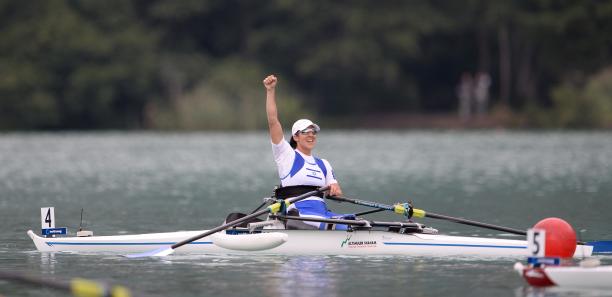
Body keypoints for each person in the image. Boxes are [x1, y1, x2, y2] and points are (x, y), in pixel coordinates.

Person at [263, 74, 353, 230]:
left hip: (322, 212)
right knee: (341, 227)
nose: (311, 135)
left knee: (357, 224)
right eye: (306, 132)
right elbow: (273, 121)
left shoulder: (324, 164)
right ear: (296, 137)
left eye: (314, 132)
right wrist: (270, 91)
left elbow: (336, 192)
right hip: (298, 214)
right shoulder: (286, 155)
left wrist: (335, 190)